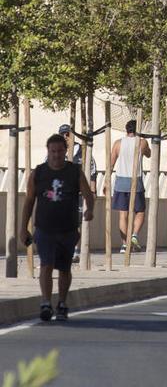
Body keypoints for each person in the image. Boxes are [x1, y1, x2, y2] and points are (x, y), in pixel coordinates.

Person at [20, 134, 95, 321]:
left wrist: (90, 210)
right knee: (46, 264)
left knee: (64, 268)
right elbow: (29, 201)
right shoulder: (38, 173)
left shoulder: (74, 172)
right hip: (44, 229)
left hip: (68, 229)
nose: (56, 155)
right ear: (48, 151)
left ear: (66, 151)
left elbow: (88, 194)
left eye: (60, 151)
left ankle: (61, 302)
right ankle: (46, 302)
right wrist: (23, 227)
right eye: (53, 151)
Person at [107, 119, 151, 253]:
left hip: (121, 180)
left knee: (123, 215)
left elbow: (111, 163)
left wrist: (106, 182)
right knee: (140, 211)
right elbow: (149, 154)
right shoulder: (142, 142)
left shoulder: (118, 143)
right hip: (135, 180)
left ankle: (125, 245)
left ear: (126, 130)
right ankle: (134, 235)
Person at [57, 124, 97, 263]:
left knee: (75, 223)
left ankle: (73, 250)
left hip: (78, 194)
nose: (65, 137)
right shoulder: (58, 151)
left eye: (67, 134)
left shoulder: (83, 151)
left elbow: (92, 172)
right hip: (60, 194)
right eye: (63, 134)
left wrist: (92, 191)